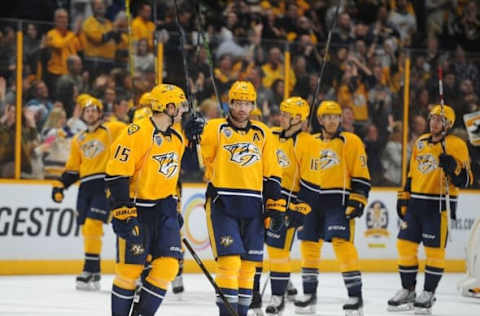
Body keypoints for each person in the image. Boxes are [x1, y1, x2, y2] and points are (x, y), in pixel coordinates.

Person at [199, 81, 285, 316]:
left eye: (247, 103)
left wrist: (275, 206)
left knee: (248, 268)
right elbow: (195, 150)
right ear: (230, 103)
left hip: (254, 207)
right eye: (238, 102)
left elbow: (272, 172)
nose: (242, 108)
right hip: (223, 204)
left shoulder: (263, 133)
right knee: (230, 263)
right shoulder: (214, 128)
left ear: (253, 106)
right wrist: (191, 129)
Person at [105, 84, 187, 316]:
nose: (183, 110)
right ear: (168, 107)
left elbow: (171, 177)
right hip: (136, 209)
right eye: (180, 106)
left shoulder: (177, 136)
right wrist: (122, 209)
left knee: (169, 266)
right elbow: (116, 173)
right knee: (129, 271)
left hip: (163, 210)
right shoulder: (136, 132)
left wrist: (173, 209)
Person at [387, 105, 473, 314]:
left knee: (434, 252)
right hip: (416, 203)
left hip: (439, 205)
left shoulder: (456, 144)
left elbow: (467, 179)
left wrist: (453, 167)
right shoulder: (421, 142)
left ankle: (428, 292)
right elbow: (411, 174)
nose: (435, 122)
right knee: (404, 246)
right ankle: (408, 289)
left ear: (449, 124)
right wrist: (403, 196)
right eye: (432, 118)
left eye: (440, 119)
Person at [294, 101, 371, 315]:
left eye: (336, 116)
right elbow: (298, 167)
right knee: (308, 245)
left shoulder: (351, 141)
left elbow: (361, 173)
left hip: (338, 201)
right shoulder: (309, 141)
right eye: (327, 117)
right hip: (311, 200)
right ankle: (309, 292)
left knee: (342, 244)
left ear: (340, 119)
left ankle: (355, 295)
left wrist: (358, 199)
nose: (332, 120)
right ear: (319, 120)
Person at [51, 97, 114, 290]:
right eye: (87, 111)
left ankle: (89, 269)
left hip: (104, 184)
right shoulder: (78, 139)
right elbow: (73, 169)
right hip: (85, 187)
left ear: (100, 113)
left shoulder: (111, 132)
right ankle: (94, 271)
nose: (91, 114)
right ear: (83, 114)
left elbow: (133, 132)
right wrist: (60, 185)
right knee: (86, 229)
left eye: (94, 110)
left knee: (92, 225)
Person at [262, 97, 311, 315]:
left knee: (277, 250)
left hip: (288, 203)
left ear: (298, 119)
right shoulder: (270, 134)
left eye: (285, 114)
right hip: (263, 197)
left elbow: (313, 183)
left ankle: (277, 295)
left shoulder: (308, 143)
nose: (280, 117)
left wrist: (301, 209)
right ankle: (285, 281)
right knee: (259, 245)